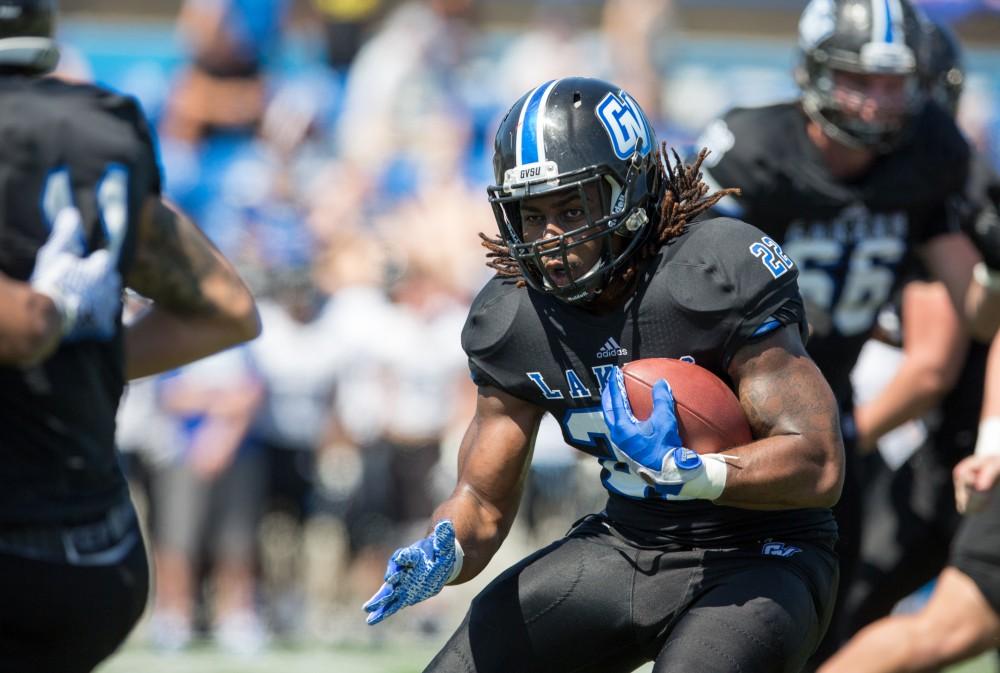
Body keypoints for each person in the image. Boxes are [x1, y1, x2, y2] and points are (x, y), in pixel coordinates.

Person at [364, 76, 846, 673]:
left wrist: (697, 472)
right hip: (630, 541)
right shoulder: (514, 316)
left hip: (762, 552)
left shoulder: (712, 271)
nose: (551, 239)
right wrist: (446, 547)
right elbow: (481, 503)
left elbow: (819, 463)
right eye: (532, 215)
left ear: (631, 193)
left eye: (571, 209)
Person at [694, 0, 1000, 658]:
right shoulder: (752, 151)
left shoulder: (929, 156)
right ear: (813, 73)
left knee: (821, 625)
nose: (877, 104)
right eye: (861, 80)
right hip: (732, 412)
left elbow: (977, 320)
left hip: (831, 419)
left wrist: (996, 270)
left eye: (893, 83)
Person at [0, 2, 260, 672]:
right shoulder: (88, 134)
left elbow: (23, 326)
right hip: (99, 556)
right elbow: (227, 308)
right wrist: (92, 349)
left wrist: (53, 320)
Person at [836, 19, 996, 642]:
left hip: (963, 450)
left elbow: (933, 364)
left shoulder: (947, 187)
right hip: (956, 441)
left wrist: (837, 442)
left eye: (895, 88)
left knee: (858, 612)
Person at [818, 330, 1000, 673]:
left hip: (949, 466)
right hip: (949, 467)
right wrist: (994, 448)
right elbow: (933, 367)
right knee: (951, 628)